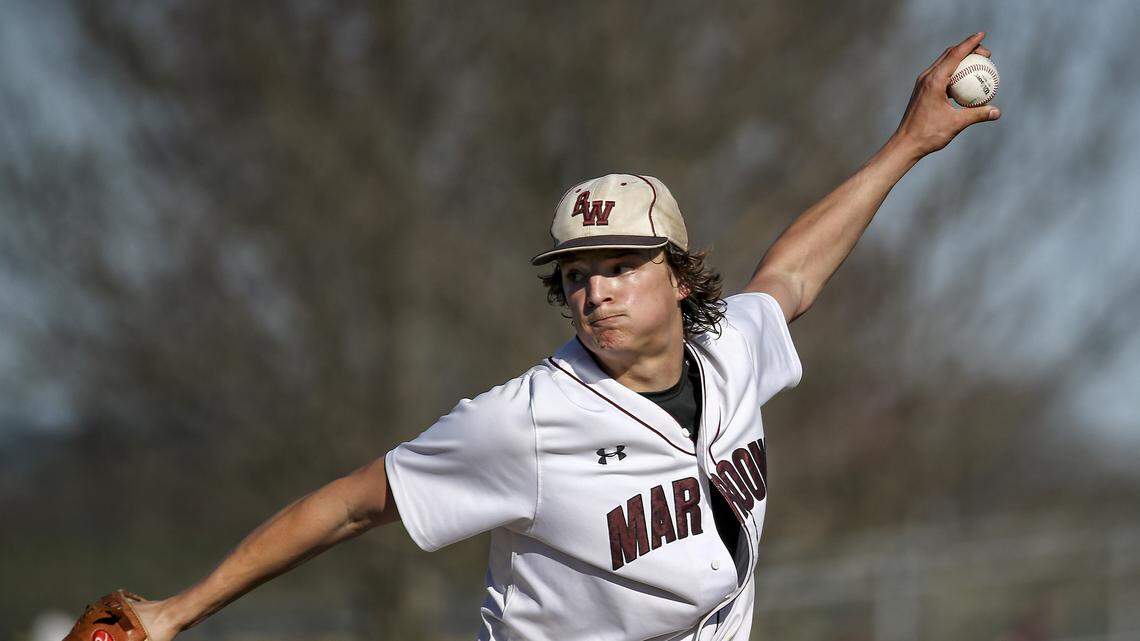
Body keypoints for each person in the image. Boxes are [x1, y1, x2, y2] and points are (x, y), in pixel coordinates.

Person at [120, 33, 999, 641]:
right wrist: (177, 612)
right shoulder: (527, 421)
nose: (596, 291)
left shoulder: (731, 348)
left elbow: (794, 275)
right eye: (577, 274)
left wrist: (912, 140)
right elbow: (353, 502)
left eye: (619, 265)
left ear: (680, 276)